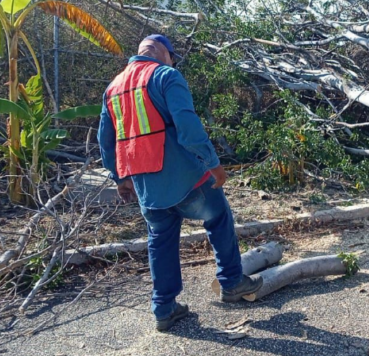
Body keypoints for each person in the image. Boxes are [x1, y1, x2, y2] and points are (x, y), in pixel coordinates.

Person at [98, 35, 262, 332]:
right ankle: (232, 282)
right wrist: (213, 164)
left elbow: (106, 143)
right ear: (163, 53)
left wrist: (119, 177)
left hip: (146, 187)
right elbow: (187, 127)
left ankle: (164, 308)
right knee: (218, 215)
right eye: (172, 56)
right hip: (185, 178)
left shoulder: (113, 88)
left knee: (159, 240)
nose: (172, 61)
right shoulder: (165, 75)